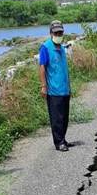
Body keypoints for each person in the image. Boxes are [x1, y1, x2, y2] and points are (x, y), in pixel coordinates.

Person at [39, 20, 72, 152]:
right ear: (51, 33)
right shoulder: (46, 47)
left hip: (64, 89)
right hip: (54, 90)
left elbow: (64, 69)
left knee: (64, 117)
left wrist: (69, 87)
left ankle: (63, 138)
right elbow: (42, 67)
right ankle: (59, 142)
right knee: (56, 118)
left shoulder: (62, 48)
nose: (59, 34)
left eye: (60, 32)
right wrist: (43, 86)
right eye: (56, 32)